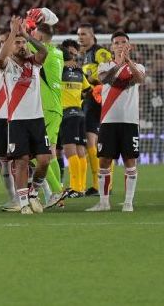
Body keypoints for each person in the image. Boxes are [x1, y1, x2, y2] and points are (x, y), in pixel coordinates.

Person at [0, 16, 51, 215]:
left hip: (37, 119)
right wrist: (12, 33)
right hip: (16, 121)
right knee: (22, 161)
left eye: (23, 42)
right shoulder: (7, 65)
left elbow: (43, 50)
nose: (21, 45)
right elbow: (0, 59)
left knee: (44, 159)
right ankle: (23, 202)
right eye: (17, 42)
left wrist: (27, 34)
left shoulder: (34, 63)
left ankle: (33, 193)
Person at [87, 31, 146, 212]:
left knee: (130, 161)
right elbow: (105, 80)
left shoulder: (138, 66)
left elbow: (140, 79)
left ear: (129, 46)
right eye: (117, 43)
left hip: (129, 122)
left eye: (123, 42)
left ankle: (128, 203)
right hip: (108, 121)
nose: (120, 45)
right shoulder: (104, 66)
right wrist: (119, 63)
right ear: (112, 47)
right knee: (104, 161)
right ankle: (104, 203)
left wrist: (127, 62)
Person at [27, 8, 64, 203]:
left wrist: (26, 26)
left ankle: (57, 191)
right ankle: (58, 194)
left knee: (36, 152)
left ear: (40, 36)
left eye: (35, 34)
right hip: (56, 107)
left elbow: (22, 44)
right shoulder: (57, 52)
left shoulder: (45, 51)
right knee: (51, 151)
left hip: (47, 108)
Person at [77, 23, 113, 196]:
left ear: (92, 35)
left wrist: (90, 78)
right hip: (89, 100)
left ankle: (101, 184)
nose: (80, 37)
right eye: (79, 34)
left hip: (98, 100)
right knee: (90, 141)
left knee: (93, 140)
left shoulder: (99, 52)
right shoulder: (84, 56)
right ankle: (99, 184)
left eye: (83, 34)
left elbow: (111, 69)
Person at [0, 31, 17, 211]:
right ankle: (13, 197)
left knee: (23, 158)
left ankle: (44, 192)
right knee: (4, 159)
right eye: (0, 42)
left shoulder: (26, 61)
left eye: (5, 41)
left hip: (18, 115)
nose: (2, 45)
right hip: (0, 115)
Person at [59, 39, 90, 197]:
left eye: (73, 54)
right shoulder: (79, 71)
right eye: (69, 53)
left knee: (70, 151)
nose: (72, 57)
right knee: (80, 151)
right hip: (79, 113)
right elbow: (88, 90)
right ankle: (81, 187)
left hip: (66, 114)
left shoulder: (58, 70)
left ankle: (75, 187)